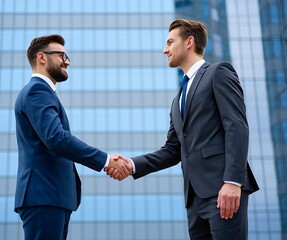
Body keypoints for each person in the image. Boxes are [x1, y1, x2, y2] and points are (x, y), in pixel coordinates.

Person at [106, 19, 259, 239]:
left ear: (189, 42)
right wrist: (131, 165)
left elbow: (237, 126)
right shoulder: (178, 99)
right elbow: (172, 150)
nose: (164, 49)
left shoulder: (218, 73)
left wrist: (233, 182)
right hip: (194, 200)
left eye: (170, 42)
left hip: (223, 189)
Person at [14, 34, 131, 240]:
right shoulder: (37, 91)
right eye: (61, 55)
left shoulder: (43, 93)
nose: (67, 61)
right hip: (44, 195)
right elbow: (56, 138)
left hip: (52, 196)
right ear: (42, 57)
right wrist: (105, 160)